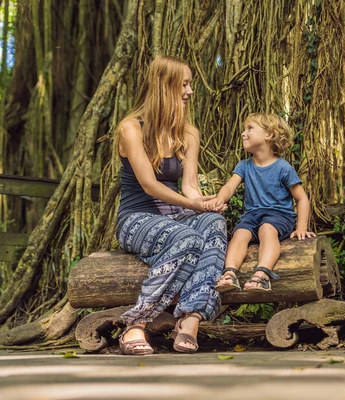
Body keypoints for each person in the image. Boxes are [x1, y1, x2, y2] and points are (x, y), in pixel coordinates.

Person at [115, 55, 227, 355]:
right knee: (189, 239)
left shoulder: (189, 134)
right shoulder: (131, 128)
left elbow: (189, 186)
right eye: (185, 84)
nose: (190, 92)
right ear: (165, 86)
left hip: (176, 217)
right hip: (136, 219)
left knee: (214, 224)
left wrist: (206, 202)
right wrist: (193, 205)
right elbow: (150, 185)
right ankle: (136, 325)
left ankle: (191, 318)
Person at [209, 113, 315, 292]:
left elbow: (302, 198)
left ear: (269, 135)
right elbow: (229, 186)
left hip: (280, 216)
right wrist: (219, 199)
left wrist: (301, 228)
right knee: (240, 233)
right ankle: (229, 274)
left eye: (250, 129)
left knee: (267, 229)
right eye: (244, 129)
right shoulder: (244, 166)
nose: (243, 133)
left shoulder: (283, 168)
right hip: (252, 215)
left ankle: (262, 275)